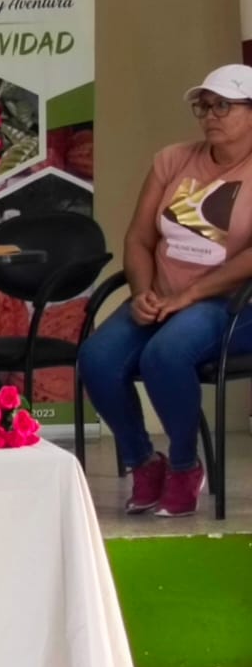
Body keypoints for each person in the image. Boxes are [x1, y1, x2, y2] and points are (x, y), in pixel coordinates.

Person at [78, 64, 252, 517]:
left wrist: (189, 297)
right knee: (97, 358)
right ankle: (142, 461)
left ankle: (183, 466)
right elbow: (139, 238)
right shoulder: (173, 160)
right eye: (204, 106)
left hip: (230, 303)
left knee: (165, 354)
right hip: (161, 296)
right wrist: (141, 292)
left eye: (224, 105)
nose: (210, 115)